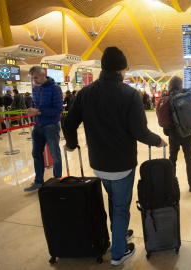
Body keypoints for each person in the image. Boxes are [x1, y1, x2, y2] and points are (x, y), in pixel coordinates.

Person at [62, 47, 167, 266]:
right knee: (120, 208)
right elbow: (140, 132)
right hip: (122, 165)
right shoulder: (129, 94)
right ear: (121, 69)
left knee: (112, 199)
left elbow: (68, 123)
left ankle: (117, 234)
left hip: (98, 165)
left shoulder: (85, 93)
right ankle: (118, 252)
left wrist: (71, 144)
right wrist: (158, 141)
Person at [23, 66, 63, 192]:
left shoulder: (55, 89)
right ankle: (38, 181)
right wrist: (31, 111)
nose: (34, 81)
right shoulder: (35, 89)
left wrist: (38, 111)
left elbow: (58, 110)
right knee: (36, 154)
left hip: (51, 126)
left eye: (36, 78)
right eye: (32, 78)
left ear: (42, 74)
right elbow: (35, 106)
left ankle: (57, 180)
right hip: (38, 126)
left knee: (55, 154)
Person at [164, 77, 191, 192]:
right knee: (188, 158)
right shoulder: (185, 96)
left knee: (172, 159)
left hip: (173, 134)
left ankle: (171, 184)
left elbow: (166, 118)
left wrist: (167, 130)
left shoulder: (168, 98)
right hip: (186, 132)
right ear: (180, 84)